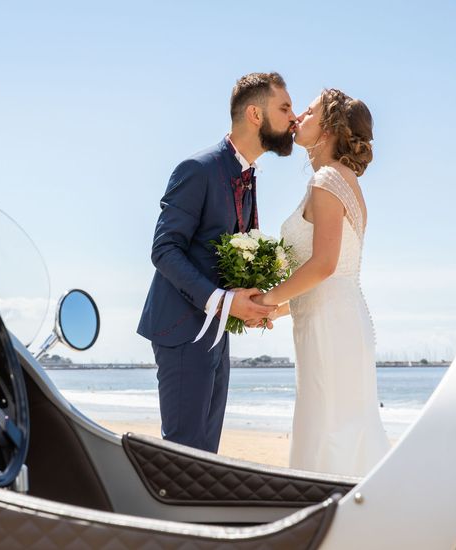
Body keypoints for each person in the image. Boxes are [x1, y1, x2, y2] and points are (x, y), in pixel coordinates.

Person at [137, 72, 296, 453]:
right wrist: (225, 302)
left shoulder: (246, 175)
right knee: (184, 455)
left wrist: (247, 305)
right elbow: (164, 250)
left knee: (205, 456)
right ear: (256, 115)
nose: (293, 118)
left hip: (215, 332)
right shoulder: (199, 169)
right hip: (180, 331)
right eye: (285, 108)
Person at [254, 88, 390, 475]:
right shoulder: (338, 180)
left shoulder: (328, 179)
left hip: (331, 324)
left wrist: (265, 300)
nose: (298, 116)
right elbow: (325, 276)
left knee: (331, 431)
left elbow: (324, 265)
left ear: (328, 126)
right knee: (336, 425)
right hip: (333, 316)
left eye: (310, 111)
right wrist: (274, 310)